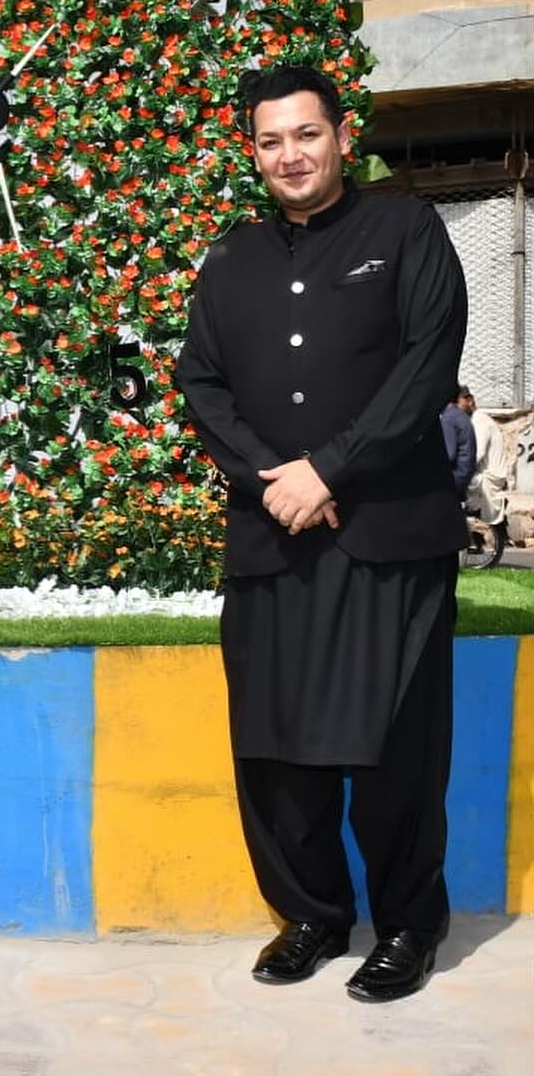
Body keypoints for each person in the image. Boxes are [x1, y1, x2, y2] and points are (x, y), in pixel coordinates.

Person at [175, 64, 467, 1003]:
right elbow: (200, 383)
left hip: (386, 536)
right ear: (251, 152)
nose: (290, 154)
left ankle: (409, 924)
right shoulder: (229, 259)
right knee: (274, 747)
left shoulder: (404, 228)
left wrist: (328, 469)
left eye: (306, 134)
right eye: (270, 140)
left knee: (392, 747)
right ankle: (310, 913)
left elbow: (427, 364)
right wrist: (274, 480)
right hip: (273, 539)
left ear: (342, 137)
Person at [456, 385, 509, 529]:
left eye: (458, 403)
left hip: (490, 475)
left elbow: (477, 453)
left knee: (456, 484)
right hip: (487, 472)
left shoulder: (479, 421)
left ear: (470, 401)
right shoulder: (476, 420)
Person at [440, 388, 476, 497]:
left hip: (456, 476)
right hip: (466, 474)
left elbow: (449, 455)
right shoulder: (461, 415)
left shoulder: (448, 418)